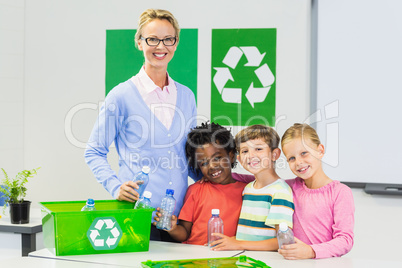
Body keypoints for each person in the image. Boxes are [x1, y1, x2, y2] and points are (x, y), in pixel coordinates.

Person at [84, 9, 198, 241]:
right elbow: (94, 151)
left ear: (176, 43)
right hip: (137, 217)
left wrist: (224, 183)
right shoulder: (122, 95)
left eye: (168, 39)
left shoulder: (186, 96)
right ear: (139, 42)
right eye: (152, 39)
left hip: (178, 220)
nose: (161, 46)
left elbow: (188, 155)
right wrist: (115, 186)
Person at [153, 122, 247, 245]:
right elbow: (184, 233)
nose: (212, 166)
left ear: (231, 155)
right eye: (204, 163)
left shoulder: (248, 189)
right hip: (194, 256)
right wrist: (173, 228)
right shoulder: (195, 190)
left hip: (229, 256)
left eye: (217, 158)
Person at [210, 125, 294, 251]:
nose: (251, 155)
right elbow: (250, 235)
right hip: (244, 258)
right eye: (245, 151)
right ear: (239, 159)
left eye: (258, 149)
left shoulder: (280, 191)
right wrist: (228, 242)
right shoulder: (248, 189)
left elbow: (281, 241)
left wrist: (238, 244)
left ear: (274, 154)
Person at [279, 123, 354, 259]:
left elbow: (345, 240)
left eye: (304, 153)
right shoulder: (287, 187)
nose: (299, 162)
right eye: (292, 158)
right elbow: (260, 180)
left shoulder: (340, 192)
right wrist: (230, 175)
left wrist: (310, 251)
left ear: (320, 150)